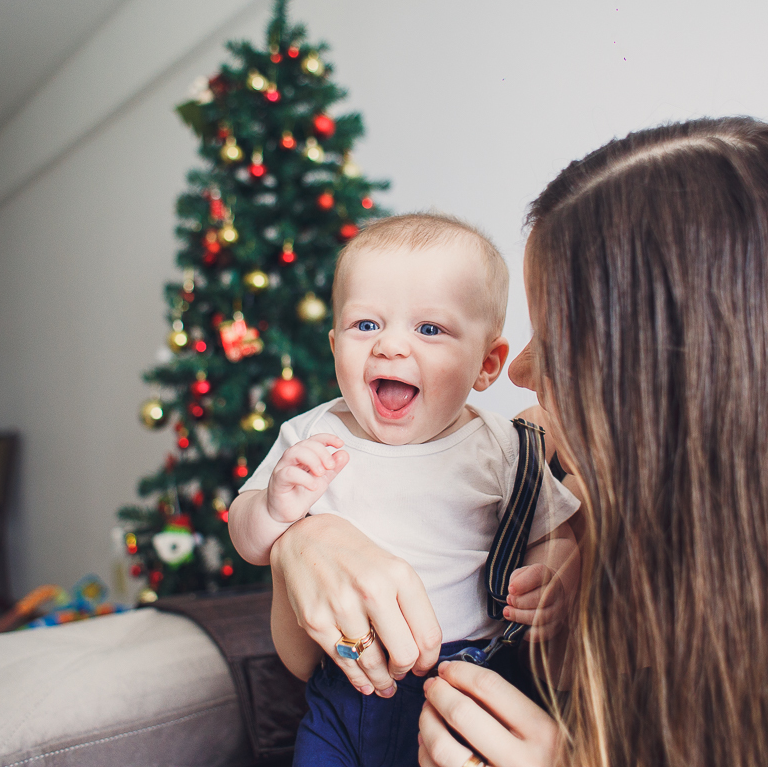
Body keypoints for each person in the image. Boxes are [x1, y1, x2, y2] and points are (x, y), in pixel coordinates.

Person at [268, 118, 768, 766]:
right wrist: (302, 541)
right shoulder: (560, 481)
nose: (518, 371)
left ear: (675, 384)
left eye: (557, 346)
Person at [228, 213, 581, 766]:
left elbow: (553, 532)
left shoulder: (504, 447)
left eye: (429, 329)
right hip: (342, 688)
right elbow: (247, 535)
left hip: (467, 682)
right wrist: (273, 510)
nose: (390, 347)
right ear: (334, 343)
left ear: (487, 364)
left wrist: (551, 576)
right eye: (366, 325)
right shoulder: (312, 434)